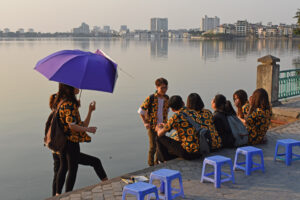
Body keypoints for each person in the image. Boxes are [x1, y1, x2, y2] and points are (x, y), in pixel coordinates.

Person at [54, 83, 107, 195]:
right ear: (70, 88)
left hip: (63, 143)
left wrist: (90, 111)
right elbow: (72, 126)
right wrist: (89, 129)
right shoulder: (68, 104)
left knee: (65, 168)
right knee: (72, 170)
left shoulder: (63, 102)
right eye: (75, 85)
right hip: (70, 143)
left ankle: (58, 195)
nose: (78, 87)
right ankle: (67, 195)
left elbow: (80, 125)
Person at [155, 95, 202, 162]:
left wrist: (158, 128)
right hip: (199, 150)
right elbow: (185, 126)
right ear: (183, 103)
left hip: (188, 153)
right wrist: (167, 125)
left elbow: (160, 134)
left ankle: (164, 160)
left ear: (172, 109)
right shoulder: (193, 112)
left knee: (159, 138)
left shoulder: (175, 117)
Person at [138, 78, 169, 166]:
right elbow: (141, 111)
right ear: (157, 87)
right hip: (152, 126)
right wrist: (145, 123)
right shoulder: (151, 98)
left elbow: (166, 111)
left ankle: (157, 163)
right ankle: (151, 165)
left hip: (162, 126)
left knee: (161, 146)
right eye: (162, 88)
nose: (164, 90)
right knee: (153, 147)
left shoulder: (167, 98)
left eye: (166, 88)